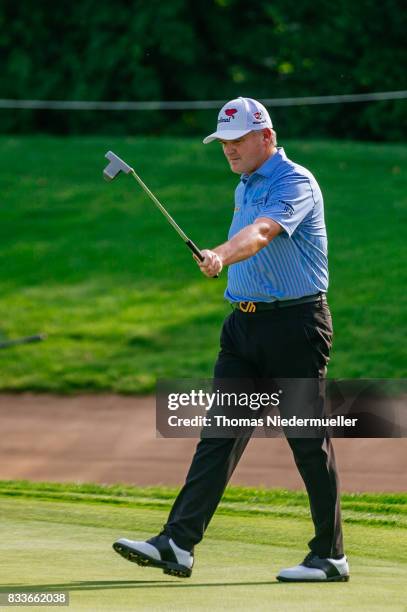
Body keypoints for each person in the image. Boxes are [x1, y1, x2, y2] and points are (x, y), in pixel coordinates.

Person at [113, 97, 349, 583]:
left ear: (266, 136)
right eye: (223, 143)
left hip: (295, 326)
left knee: (307, 441)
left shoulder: (295, 182)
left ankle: (331, 556)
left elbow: (262, 233)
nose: (229, 150)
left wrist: (219, 256)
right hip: (244, 328)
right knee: (218, 436)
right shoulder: (246, 184)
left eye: (237, 140)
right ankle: (177, 543)